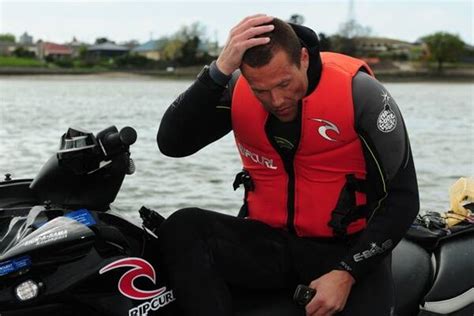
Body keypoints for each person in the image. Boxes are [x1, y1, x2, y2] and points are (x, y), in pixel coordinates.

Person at [156, 14, 419, 316]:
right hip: (272, 245)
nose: (277, 100)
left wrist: (347, 273)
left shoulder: (361, 94)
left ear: (303, 59)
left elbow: (403, 199)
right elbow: (172, 144)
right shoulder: (238, 87)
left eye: (284, 83)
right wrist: (218, 71)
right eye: (261, 91)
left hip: (347, 250)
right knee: (183, 226)